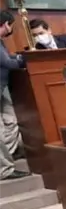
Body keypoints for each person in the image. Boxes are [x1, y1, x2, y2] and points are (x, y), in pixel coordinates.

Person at [0, 9, 29, 180]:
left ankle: (7, 157)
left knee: (12, 121)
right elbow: (8, 63)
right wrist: (23, 59)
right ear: (6, 24)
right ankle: (5, 170)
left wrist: (17, 58)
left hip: (2, 89)